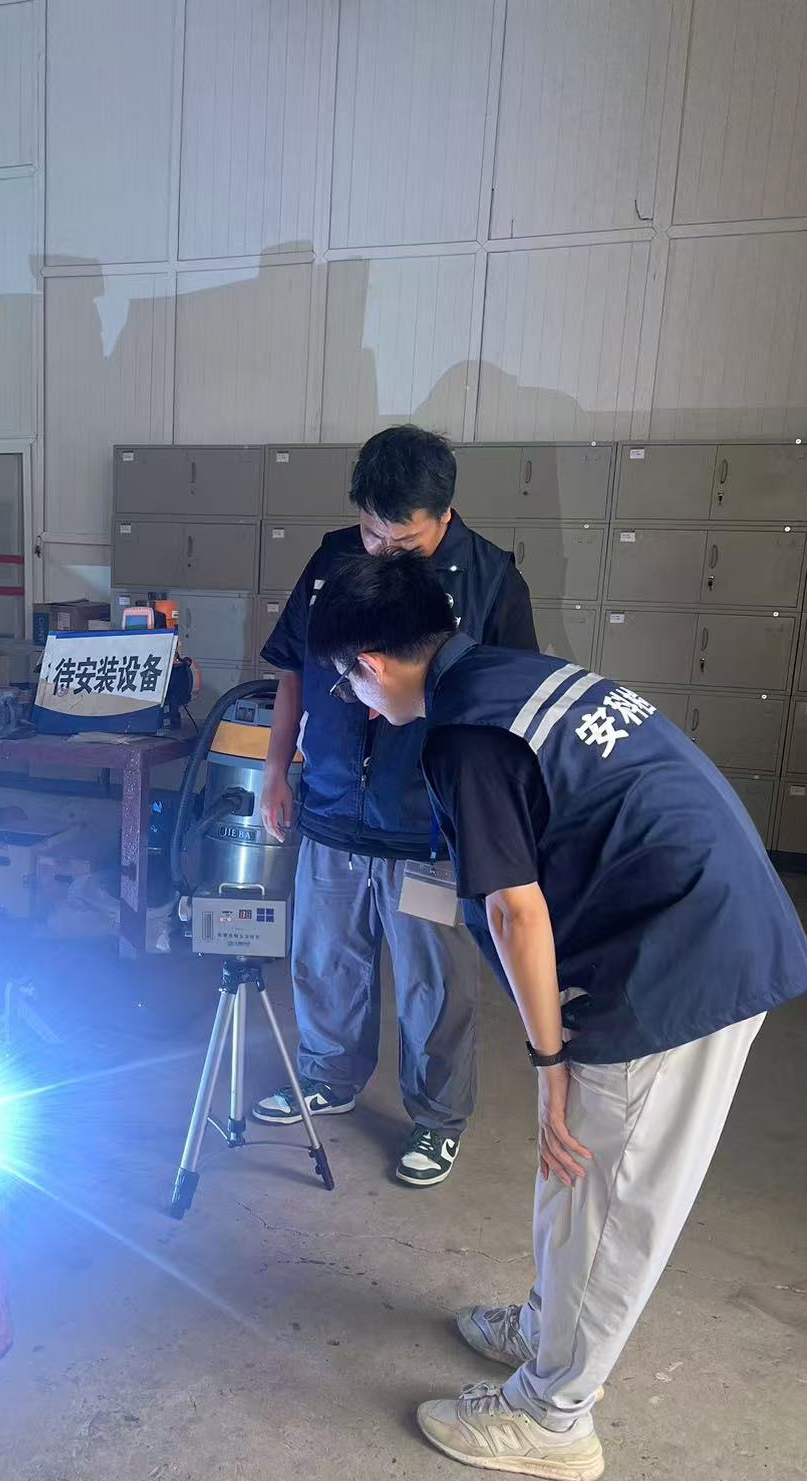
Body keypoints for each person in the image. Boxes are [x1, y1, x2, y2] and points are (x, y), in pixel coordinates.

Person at [305, 555, 807, 1481]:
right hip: (678, 911)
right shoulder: (502, 673)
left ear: (372, 665)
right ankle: (549, 1328)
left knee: (605, 1186)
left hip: (681, 954)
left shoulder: (463, 737)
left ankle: (554, 1416)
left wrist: (549, 1066)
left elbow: (516, 912)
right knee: (579, 1176)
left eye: (347, 684)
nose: (355, 703)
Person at [254, 426, 536, 1188]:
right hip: (332, 808)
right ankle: (329, 1073)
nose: (381, 550)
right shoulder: (332, 561)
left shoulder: (491, 580)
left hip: (428, 827)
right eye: (371, 532)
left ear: (444, 514)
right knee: (323, 960)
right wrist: (277, 771)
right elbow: (292, 670)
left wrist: (485, 823)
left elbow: (508, 708)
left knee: (433, 983)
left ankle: (438, 1116)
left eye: (401, 539)